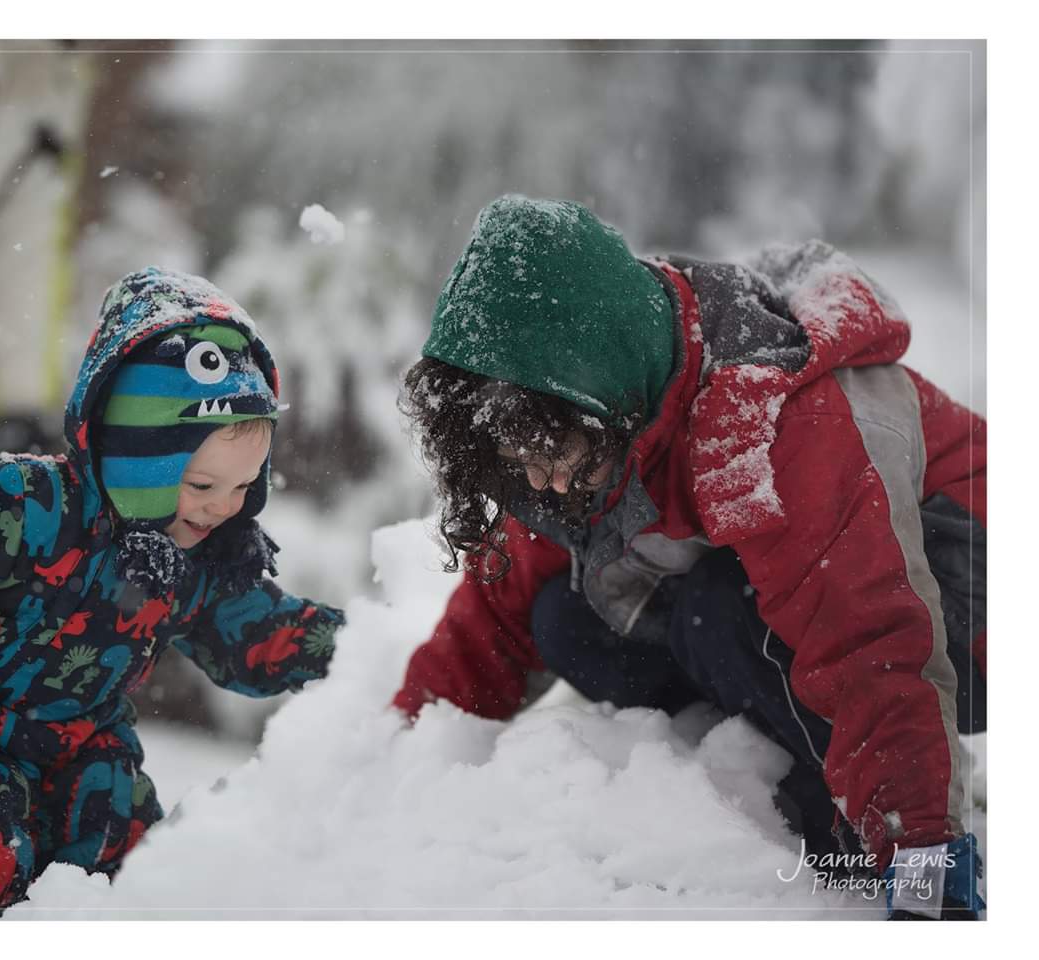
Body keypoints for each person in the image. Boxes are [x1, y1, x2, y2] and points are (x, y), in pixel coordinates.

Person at [393, 195, 986, 920]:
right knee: (566, 620)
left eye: (551, 451)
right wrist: (401, 753)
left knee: (713, 607)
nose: (543, 480)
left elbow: (870, 643)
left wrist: (925, 872)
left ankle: (849, 835)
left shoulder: (765, 418)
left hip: (968, 599)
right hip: (813, 613)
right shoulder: (583, 433)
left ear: (602, 388)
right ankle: (737, 774)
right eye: (519, 460)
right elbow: (496, 615)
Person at [0, 267, 344, 919]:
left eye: (243, 487)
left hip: (80, 737)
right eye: (203, 485)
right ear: (137, 453)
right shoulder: (31, 501)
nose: (222, 508)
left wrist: (361, 651)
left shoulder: (194, 563)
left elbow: (258, 631)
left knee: (130, 848)